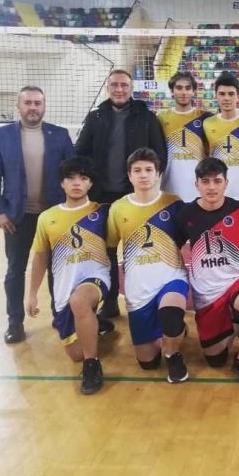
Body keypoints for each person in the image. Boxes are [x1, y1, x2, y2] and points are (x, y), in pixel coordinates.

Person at [0, 86, 75, 344]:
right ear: (18, 106)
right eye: (28, 103)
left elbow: (72, 172)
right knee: (15, 269)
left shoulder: (60, 134)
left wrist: (71, 210)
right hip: (17, 217)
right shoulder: (1, 136)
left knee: (58, 269)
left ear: (44, 106)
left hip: (54, 216)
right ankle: (15, 322)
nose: (33, 107)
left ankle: (60, 315)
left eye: (37, 103)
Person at [75, 68, 168, 319]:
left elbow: (160, 155)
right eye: (114, 85)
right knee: (106, 253)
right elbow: (80, 153)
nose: (119, 89)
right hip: (101, 197)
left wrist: (148, 188)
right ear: (108, 88)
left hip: (135, 197)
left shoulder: (146, 118)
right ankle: (110, 301)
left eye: (124, 85)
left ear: (131, 88)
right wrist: (87, 183)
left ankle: (144, 298)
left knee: (140, 250)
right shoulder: (95, 118)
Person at [173, 157, 239, 387]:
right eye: (205, 182)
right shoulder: (186, 214)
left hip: (237, 279)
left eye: (217, 181)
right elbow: (174, 246)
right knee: (215, 360)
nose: (211, 187)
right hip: (207, 293)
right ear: (196, 184)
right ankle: (235, 320)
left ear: (226, 183)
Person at [24, 156, 111, 395]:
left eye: (83, 178)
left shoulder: (102, 212)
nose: (77, 183)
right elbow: (40, 257)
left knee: (79, 301)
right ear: (62, 183)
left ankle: (92, 365)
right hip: (64, 287)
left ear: (90, 183)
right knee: (75, 354)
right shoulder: (47, 218)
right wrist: (32, 294)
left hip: (96, 278)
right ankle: (94, 324)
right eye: (70, 178)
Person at [107, 148, 190, 383]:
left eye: (148, 170)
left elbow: (183, 236)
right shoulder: (118, 208)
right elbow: (111, 246)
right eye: (137, 170)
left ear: (158, 174)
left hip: (171, 277)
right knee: (148, 363)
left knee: (171, 314)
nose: (143, 175)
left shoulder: (173, 203)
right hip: (138, 288)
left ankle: (173, 354)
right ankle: (175, 331)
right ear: (129, 175)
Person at [203, 72, 239, 204]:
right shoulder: (207, 123)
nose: (226, 98)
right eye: (222, 94)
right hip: (216, 194)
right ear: (216, 96)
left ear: (238, 96)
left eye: (231, 94)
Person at [157, 71, 212, 202]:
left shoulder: (205, 118)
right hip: (170, 187)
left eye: (188, 88)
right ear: (172, 91)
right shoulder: (161, 117)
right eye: (179, 88)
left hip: (199, 188)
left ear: (193, 92)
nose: (184, 92)